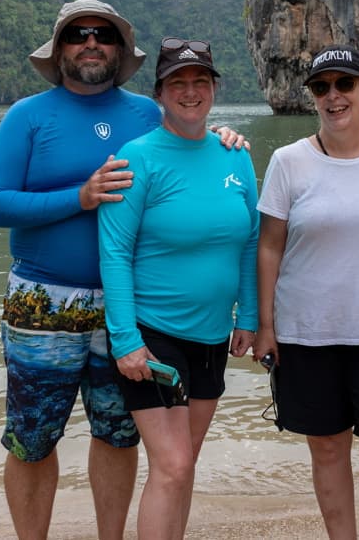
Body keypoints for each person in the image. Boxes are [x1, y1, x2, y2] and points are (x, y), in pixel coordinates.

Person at [0, 1, 243, 540]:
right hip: (43, 299)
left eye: (103, 34)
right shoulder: (28, 115)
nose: (91, 42)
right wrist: (78, 197)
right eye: (78, 34)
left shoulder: (144, 114)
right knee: (32, 439)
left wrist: (225, 137)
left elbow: (186, 138)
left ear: (121, 50)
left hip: (130, 309)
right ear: (59, 49)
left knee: (119, 434)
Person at [255, 44, 359, 540]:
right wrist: (265, 327)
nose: (333, 96)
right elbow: (269, 247)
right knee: (328, 452)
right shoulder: (288, 161)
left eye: (345, 84)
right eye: (321, 87)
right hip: (307, 334)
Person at [98, 37, 259, 540]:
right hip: (153, 334)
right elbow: (114, 251)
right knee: (172, 466)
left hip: (212, 337)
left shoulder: (235, 156)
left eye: (200, 81)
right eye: (178, 83)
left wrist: (249, 316)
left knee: (184, 464)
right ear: (160, 94)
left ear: (214, 89)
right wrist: (125, 339)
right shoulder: (137, 157)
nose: (190, 91)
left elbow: (251, 242)